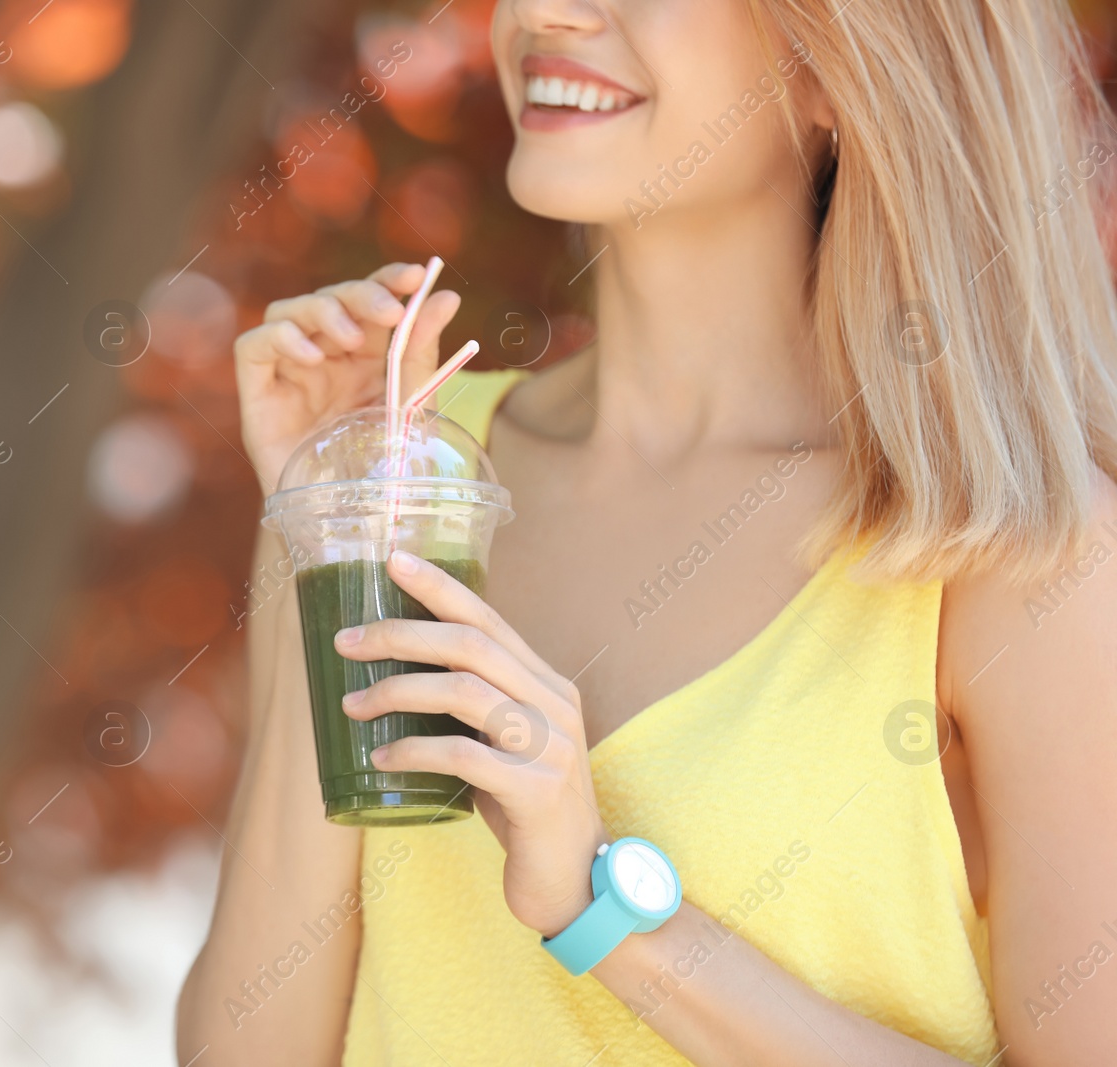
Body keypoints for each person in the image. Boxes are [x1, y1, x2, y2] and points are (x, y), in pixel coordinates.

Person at [178, 0, 1117, 1063]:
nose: (540, 11)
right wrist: (334, 526)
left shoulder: (1019, 549)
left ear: (832, 66)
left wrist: (607, 906)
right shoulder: (397, 471)